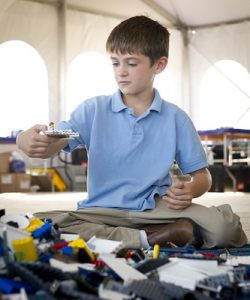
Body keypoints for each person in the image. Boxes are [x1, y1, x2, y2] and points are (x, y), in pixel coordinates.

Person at [17, 15, 247, 249]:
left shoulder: (176, 118)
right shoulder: (93, 110)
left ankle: (129, 236)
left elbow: (203, 176)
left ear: (159, 65)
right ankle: (150, 238)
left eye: (131, 63)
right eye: (115, 63)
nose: (121, 72)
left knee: (225, 229)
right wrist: (26, 138)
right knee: (31, 224)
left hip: (156, 209)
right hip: (101, 210)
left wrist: (190, 189)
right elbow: (55, 139)